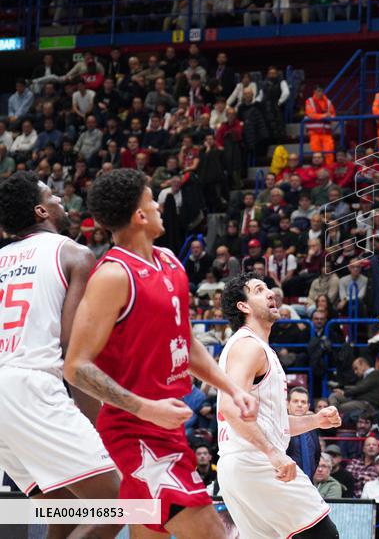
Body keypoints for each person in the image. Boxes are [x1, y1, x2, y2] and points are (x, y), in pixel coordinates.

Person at [65, 169, 258, 537]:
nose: (157, 206)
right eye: (152, 200)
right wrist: (145, 407)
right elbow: (76, 367)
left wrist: (232, 389)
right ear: (140, 216)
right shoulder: (113, 275)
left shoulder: (171, 262)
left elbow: (183, 340)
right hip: (133, 432)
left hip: (168, 429)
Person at [0, 172, 122, 539]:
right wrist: (92, 426)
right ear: (41, 211)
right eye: (54, 197)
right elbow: (74, 351)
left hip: (7, 390)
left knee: (66, 510)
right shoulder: (73, 253)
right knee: (117, 505)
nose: (61, 203)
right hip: (31, 386)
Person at [216, 273, 341, 538]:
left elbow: (274, 424)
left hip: (240, 465)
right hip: (256, 462)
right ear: (244, 306)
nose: (271, 293)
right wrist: (273, 454)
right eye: (260, 290)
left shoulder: (255, 347)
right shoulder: (248, 347)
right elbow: (230, 407)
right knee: (324, 536)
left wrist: (316, 420)